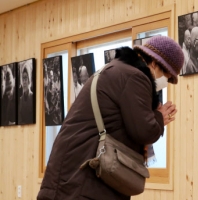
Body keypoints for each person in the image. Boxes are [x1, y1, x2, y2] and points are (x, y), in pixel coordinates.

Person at [37, 35, 184, 200]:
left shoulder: (116, 70)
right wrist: (158, 118)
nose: (166, 82)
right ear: (155, 63)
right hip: (84, 179)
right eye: (168, 76)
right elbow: (143, 131)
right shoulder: (135, 77)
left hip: (71, 173)